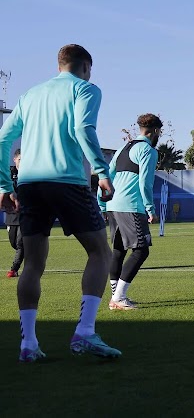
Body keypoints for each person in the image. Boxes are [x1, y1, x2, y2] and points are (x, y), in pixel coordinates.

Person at [0, 44, 122, 362]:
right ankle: (84, 332)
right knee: (100, 251)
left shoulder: (29, 96)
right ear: (85, 67)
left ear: (58, 66)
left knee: (33, 264)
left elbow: (3, 138)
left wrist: (3, 184)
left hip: (28, 184)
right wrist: (101, 170)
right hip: (66, 180)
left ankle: (28, 344)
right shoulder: (86, 89)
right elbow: (82, 127)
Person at [100, 113, 161, 310]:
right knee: (141, 251)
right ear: (155, 132)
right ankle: (118, 298)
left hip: (114, 205)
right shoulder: (148, 151)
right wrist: (150, 208)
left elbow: (106, 176)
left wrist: (102, 204)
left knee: (118, 251)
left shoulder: (121, 150)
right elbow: (145, 183)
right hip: (131, 205)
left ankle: (116, 297)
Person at [5, 149, 23, 278]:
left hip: (26, 213)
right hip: (12, 214)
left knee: (20, 243)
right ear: (15, 159)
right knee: (14, 243)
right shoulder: (8, 173)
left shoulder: (30, 174)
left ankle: (14, 269)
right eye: (21, 160)